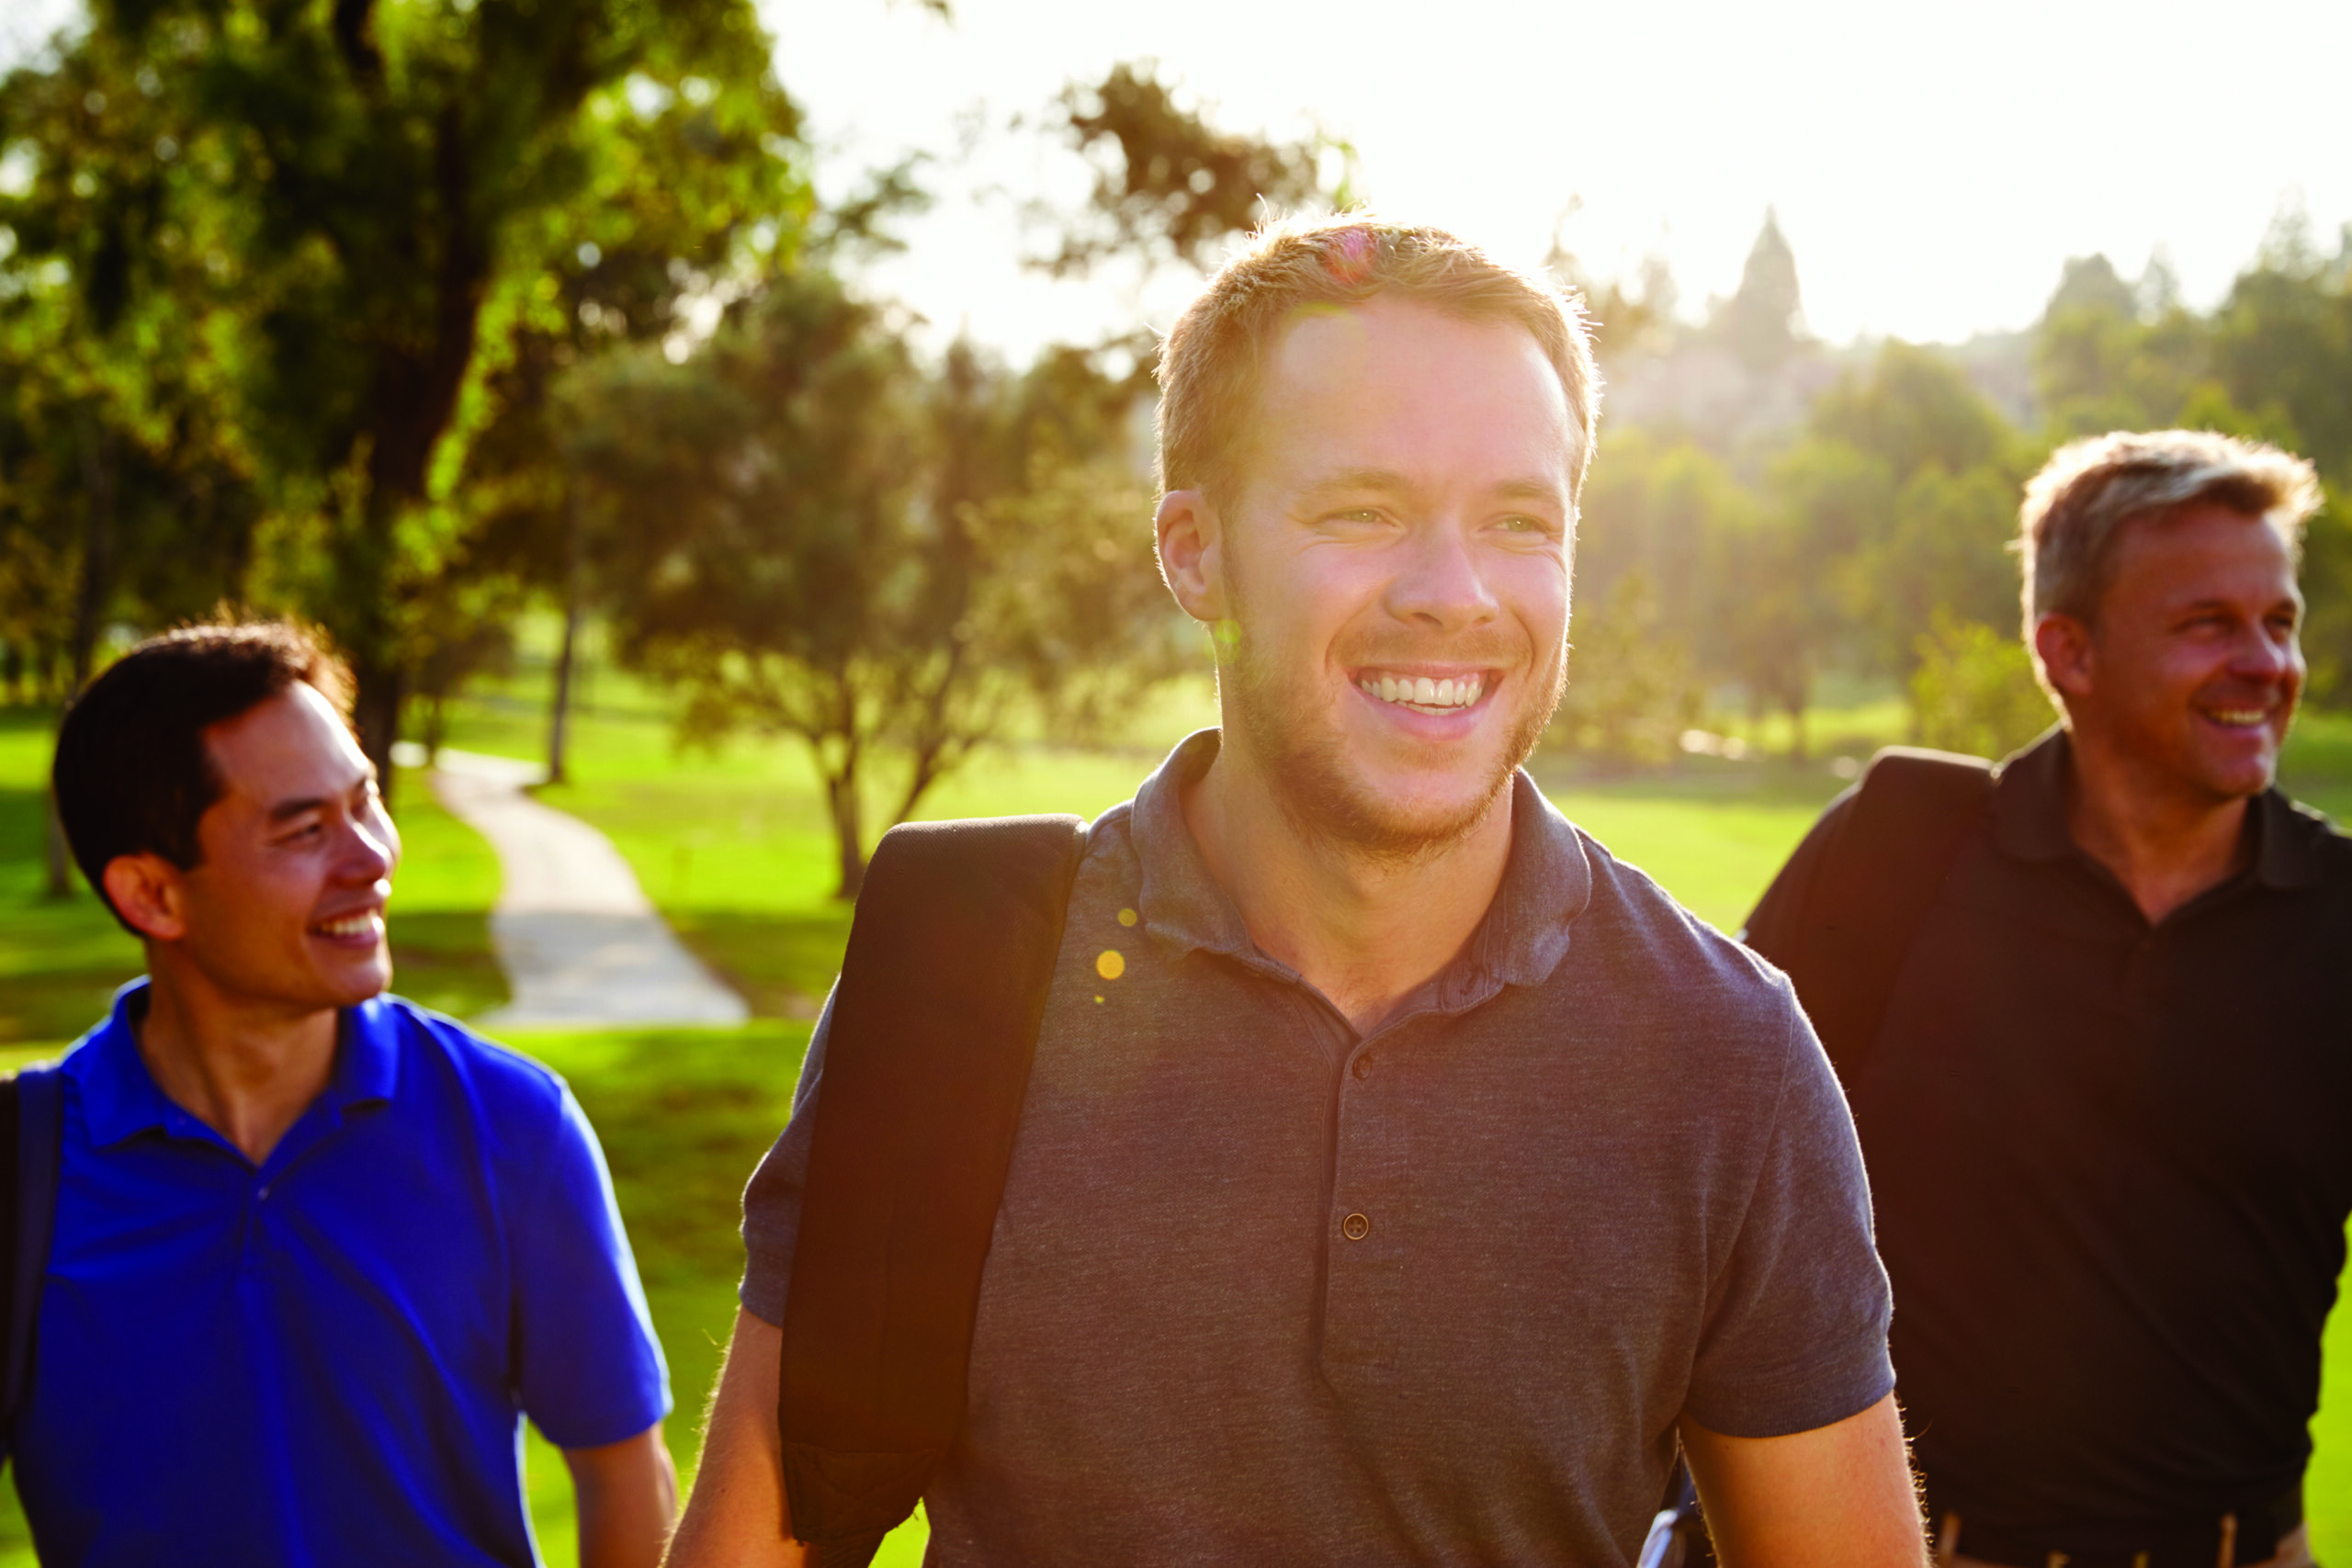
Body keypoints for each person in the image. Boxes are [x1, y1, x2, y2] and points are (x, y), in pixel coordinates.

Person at [666, 217, 1927, 1568]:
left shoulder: (1725, 1055)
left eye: (1518, 521)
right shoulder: (958, 986)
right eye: (1362, 511)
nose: (1455, 594)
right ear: (1193, 552)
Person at [1744, 430, 2346, 1568]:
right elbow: (1694, 1171)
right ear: (2065, 651)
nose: (2267, 665)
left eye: (2278, 621)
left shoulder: (2341, 920)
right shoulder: (1899, 853)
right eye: (2206, 624)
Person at [28, 622, 677, 1567]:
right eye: (305, 829)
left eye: (365, 799)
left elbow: (626, 1479)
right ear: (153, 896)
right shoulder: (24, 1171)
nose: (373, 857)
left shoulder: (512, 1130)